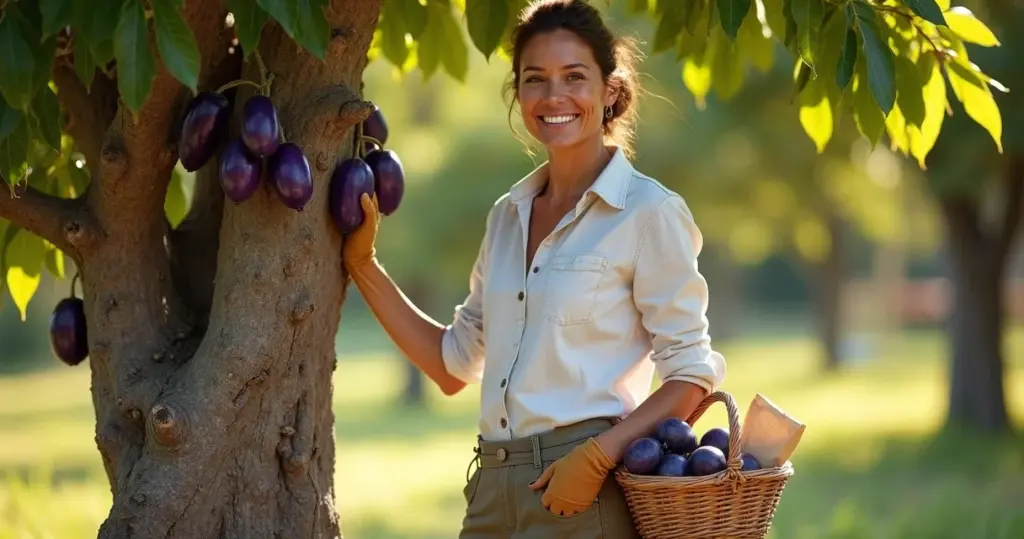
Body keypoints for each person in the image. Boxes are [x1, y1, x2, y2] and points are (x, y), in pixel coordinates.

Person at [342, 0, 726, 536]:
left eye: (574, 76)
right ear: (518, 93)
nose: (554, 96)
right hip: (491, 489)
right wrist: (362, 264)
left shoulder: (648, 214)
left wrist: (595, 460)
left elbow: (692, 375)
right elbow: (453, 363)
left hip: (584, 489)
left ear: (610, 90)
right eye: (534, 79)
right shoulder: (507, 216)